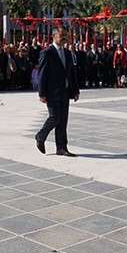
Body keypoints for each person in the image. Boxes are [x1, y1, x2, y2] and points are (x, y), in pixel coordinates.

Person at [35, 26, 80, 157]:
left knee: (63, 121)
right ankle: (40, 136)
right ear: (54, 36)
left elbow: (72, 73)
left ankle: (61, 147)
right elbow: (42, 74)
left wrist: (75, 90)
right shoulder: (47, 52)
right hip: (52, 91)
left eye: (66, 34)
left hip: (65, 91)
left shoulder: (67, 53)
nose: (65, 37)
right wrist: (41, 93)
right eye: (62, 35)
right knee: (54, 118)